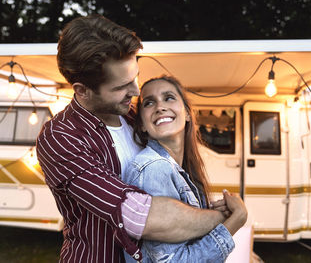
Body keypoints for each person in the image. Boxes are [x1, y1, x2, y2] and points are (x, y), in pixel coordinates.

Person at [36, 14, 246, 263]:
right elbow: (140, 217)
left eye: (135, 76)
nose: (135, 91)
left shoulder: (135, 115)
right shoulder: (61, 137)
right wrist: (224, 218)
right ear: (82, 90)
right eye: (120, 87)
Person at [121, 76, 247, 262]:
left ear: (188, 113)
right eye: (149, 102)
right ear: (142, 124)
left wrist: (219, 212)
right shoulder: (154, 168)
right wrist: (236, 219)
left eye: (169, 97)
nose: (160, 107)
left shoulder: (179, 169)